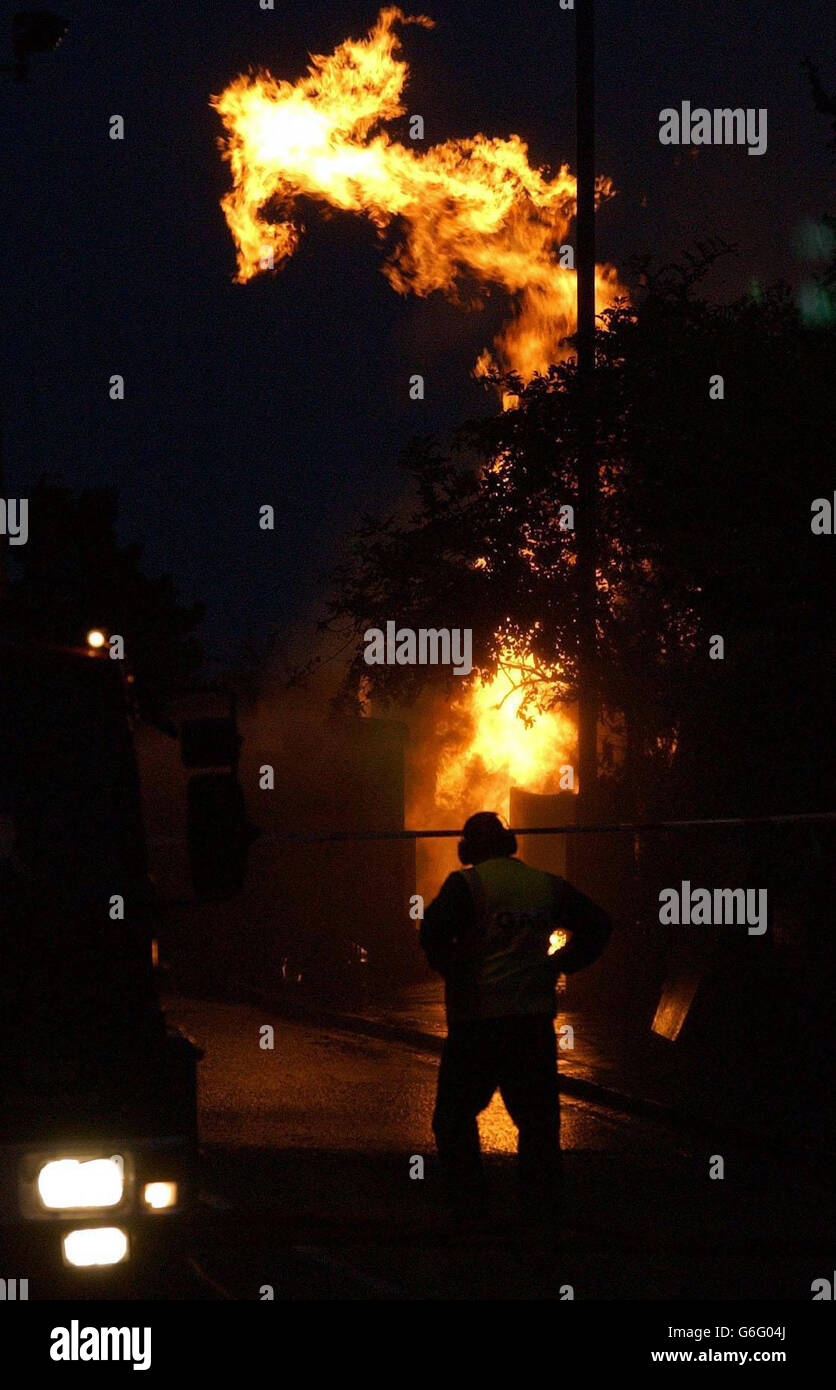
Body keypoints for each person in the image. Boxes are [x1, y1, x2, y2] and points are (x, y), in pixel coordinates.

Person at [420, 811, 612, 1239]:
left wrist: (456, 970)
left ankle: (470, 1213)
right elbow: (599, 924)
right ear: (510, 843)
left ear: (468, 846)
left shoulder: (465, 885)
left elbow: (432, 934)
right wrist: (561, 963)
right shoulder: (546, 886)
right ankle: (541, 1217)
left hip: (478, 1025)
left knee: (453, 1118)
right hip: (532, 1025)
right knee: (538, 1125)